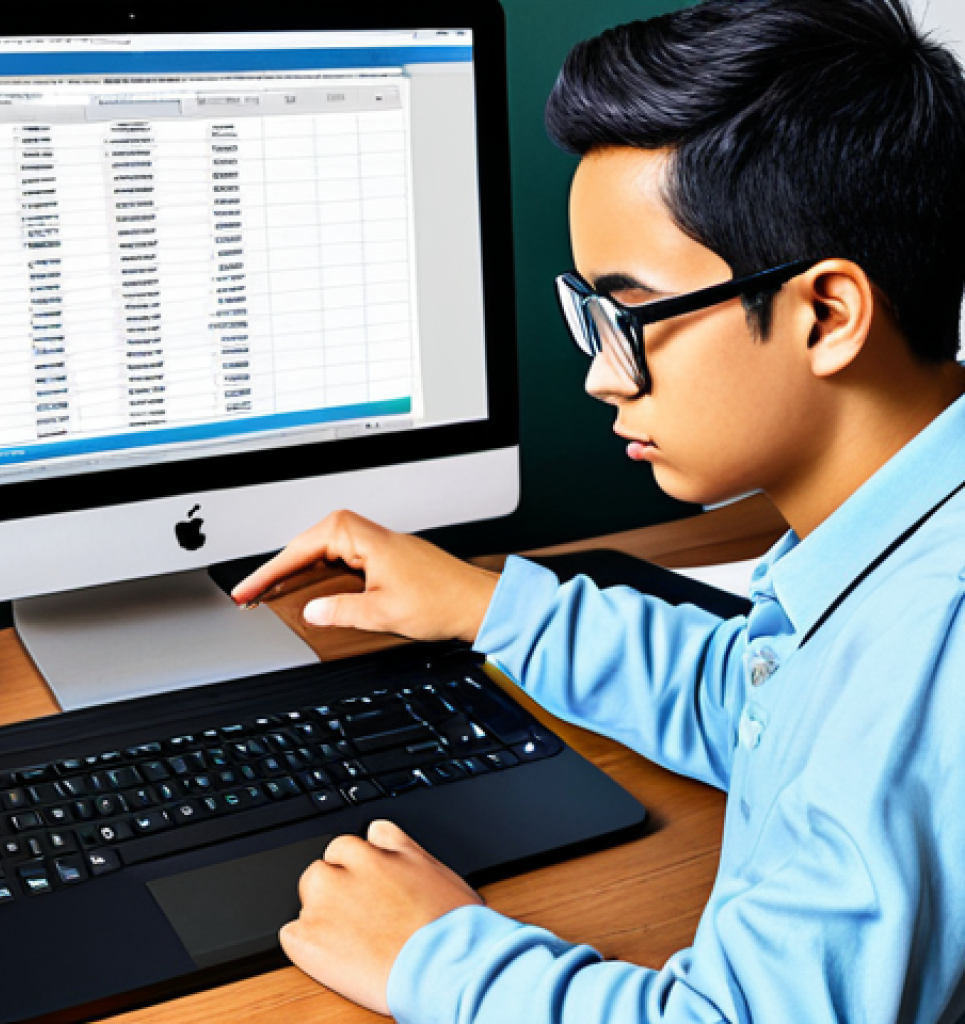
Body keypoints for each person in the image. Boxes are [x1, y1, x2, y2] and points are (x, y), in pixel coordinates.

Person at [230, 0, 965, 1020]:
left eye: (624, 319)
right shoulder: (904, 537)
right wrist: (488, 607)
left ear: (826, 313)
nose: (599, 380)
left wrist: (434, 953)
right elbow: (765, 710)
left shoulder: (929, 652)